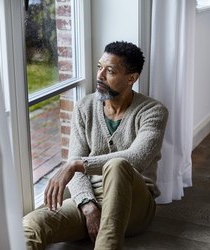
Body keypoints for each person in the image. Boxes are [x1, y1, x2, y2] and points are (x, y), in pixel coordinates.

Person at [23, 41, 168, 250]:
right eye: (100, 67)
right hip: (92, 199)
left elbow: (137, 158)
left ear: (131, 78)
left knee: (118, 164)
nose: (99, 76)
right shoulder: (85, 107)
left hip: (135, 204)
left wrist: (76, 165)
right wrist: (87, 205)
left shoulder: (153, 111)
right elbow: (76, 159)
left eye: (110, 71)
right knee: (31, 225)